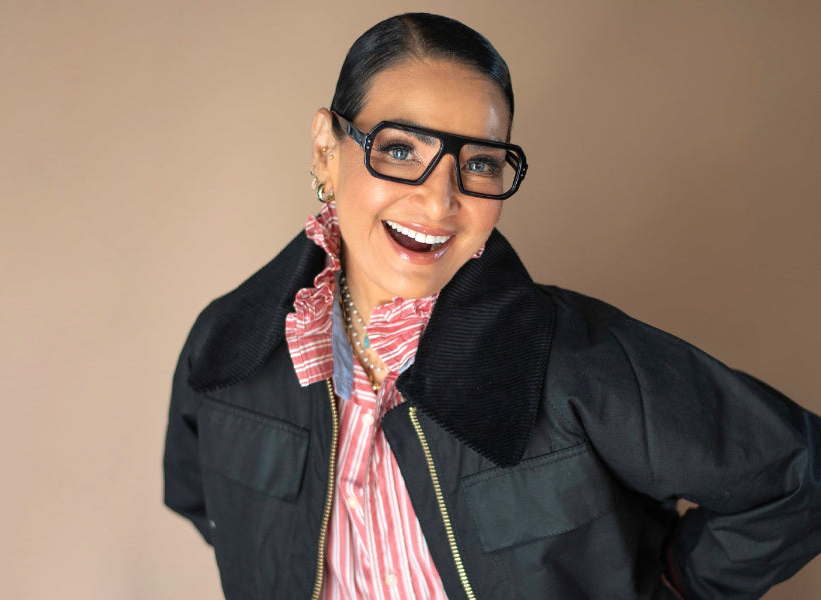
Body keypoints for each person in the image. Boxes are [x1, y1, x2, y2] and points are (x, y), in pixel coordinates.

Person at [161, 12, 821, 600]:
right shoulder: (227, 348)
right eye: (400, 149)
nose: (440, 200)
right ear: (326, 152)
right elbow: (205, 501)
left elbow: (800, 476)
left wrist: (678, 582)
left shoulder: (574, 361)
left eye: (478, 164)